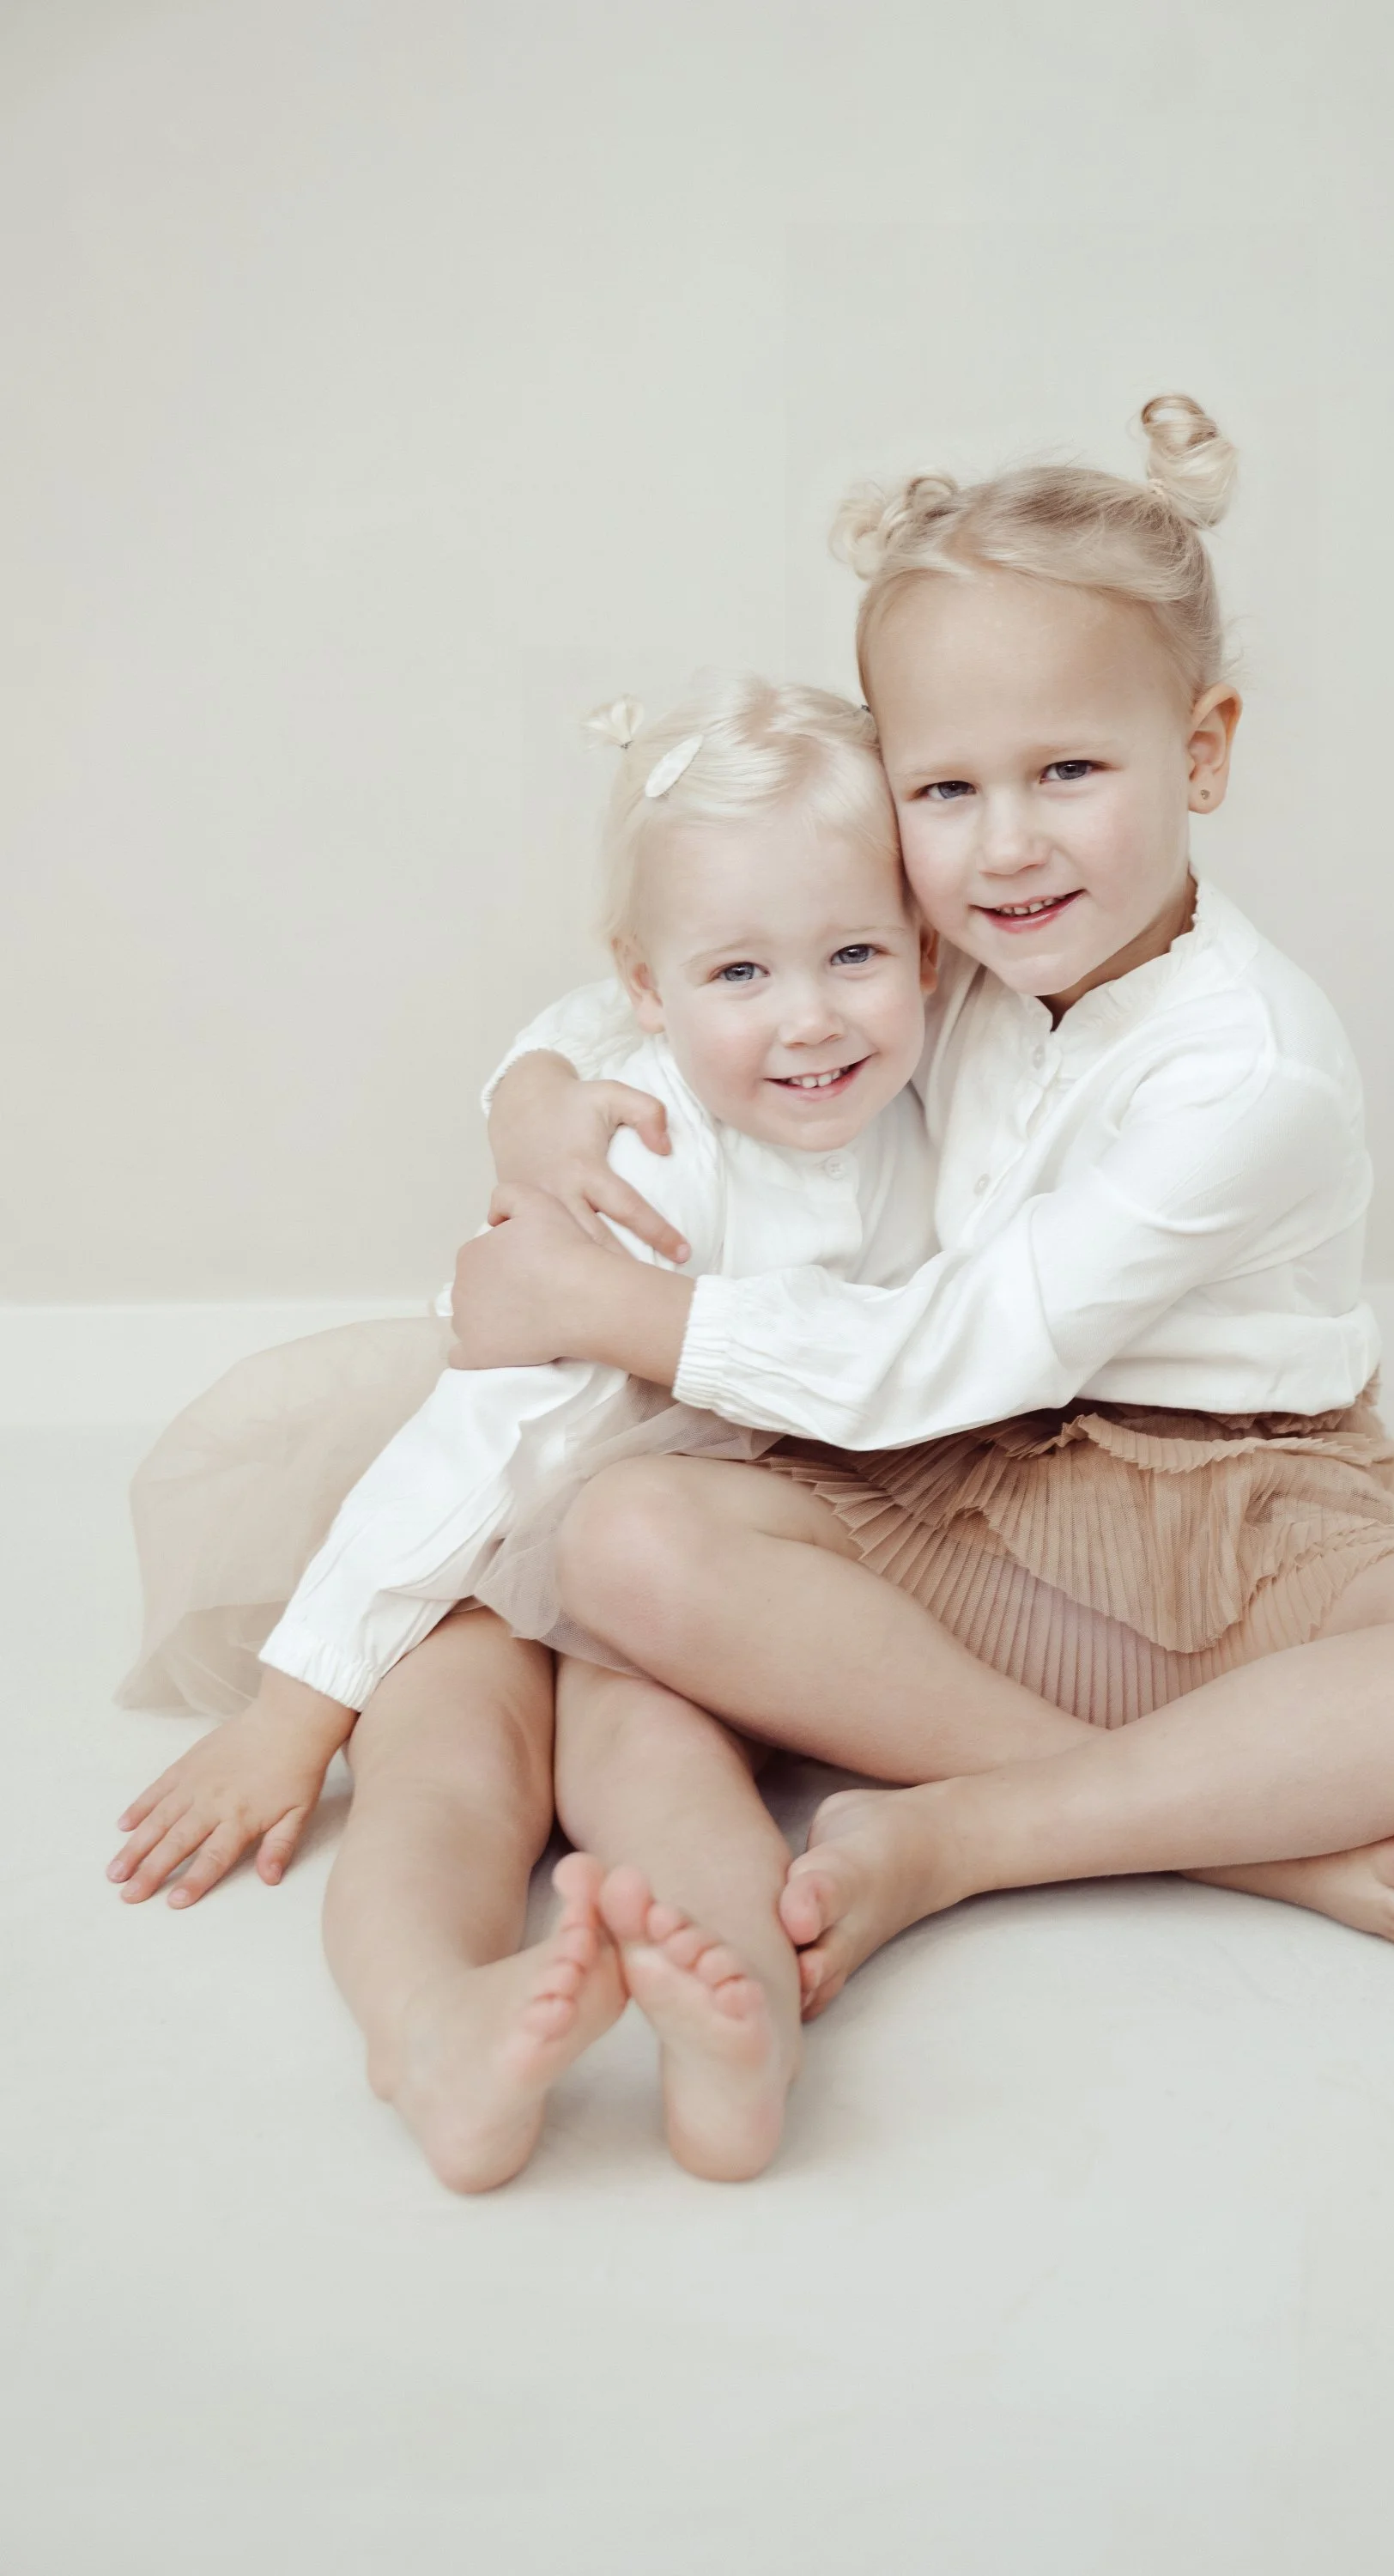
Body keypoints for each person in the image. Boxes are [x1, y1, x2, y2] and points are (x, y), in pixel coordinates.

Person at [458, 393, 1394, 2016]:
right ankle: (1235, 1832)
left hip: (1237, 1510)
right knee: (620, 1540)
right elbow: (652, 988)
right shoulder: (936, 946)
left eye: (1070, 769)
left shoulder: (1250, 1070)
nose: (1006, 846)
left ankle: (977, 1832)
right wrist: (534, 1096)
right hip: (958, 1490)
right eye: (943, 789)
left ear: (1206, 749)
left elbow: (959, 1344)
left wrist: (616, 1309)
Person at [110, 677, 945, 2188]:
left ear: (927, 949)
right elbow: (485, 1441)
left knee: (663, 1769)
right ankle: (432, 2025)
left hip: (705, 1550)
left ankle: (735, 2023)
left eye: (856, 954)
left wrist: (535, 1073)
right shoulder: (641, 1157)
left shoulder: (947, 1096)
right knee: (442, 1771)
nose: (813, 1016)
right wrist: (300, 1708)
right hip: (506, 1506)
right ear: (652, 988)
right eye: (743, 971)